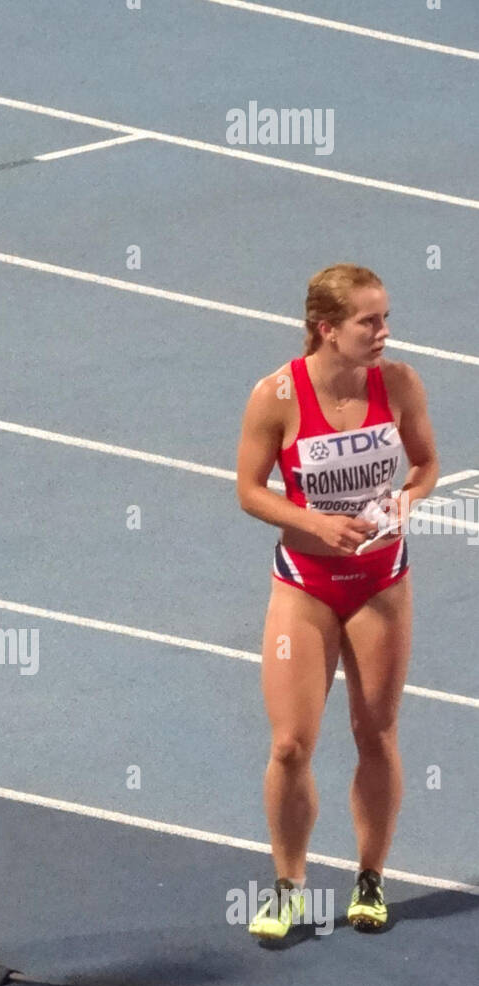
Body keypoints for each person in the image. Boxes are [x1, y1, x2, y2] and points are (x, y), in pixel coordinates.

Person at [236, 264, 440, 938]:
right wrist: (316, 524)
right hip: (306, 586)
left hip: (380, 584)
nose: (383, 332)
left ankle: (369, 879)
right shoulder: (275, 395)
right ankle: (288, 884)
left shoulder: (399, 384)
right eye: (368, 321)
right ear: (326, 328)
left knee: (373, 732)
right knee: (291, 744)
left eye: (383, 318)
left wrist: (405, 501)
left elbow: (425, 466)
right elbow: (249, 489)